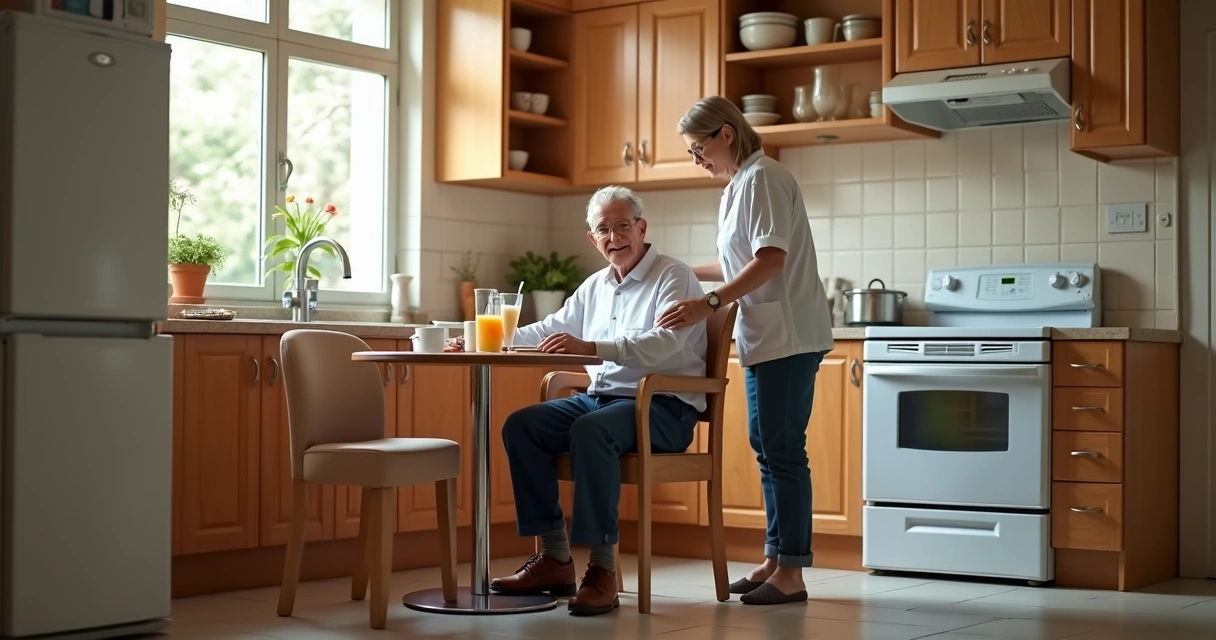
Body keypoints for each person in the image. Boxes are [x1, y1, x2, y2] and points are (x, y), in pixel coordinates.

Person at [489, 185, 708, 616]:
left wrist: (593, 348)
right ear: (593, 239)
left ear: (642, 228)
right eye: (603, 229)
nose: (614, 237)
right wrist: (484, 337)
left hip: (663, 407)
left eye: (623, 226)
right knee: (523, 425)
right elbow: (548, 329)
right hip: (602, 401)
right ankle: (555, 559)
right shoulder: (595, 286)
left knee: (590, 430)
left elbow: (663, 344)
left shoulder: (673, 275)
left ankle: (602, 569)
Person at [657, 95, 834, 606]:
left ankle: (793, 573)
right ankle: (776, 559)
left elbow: (770, 260)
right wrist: (676, 270)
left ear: (726, 134)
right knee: (768, 448)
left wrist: (705, 303)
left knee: (782, 450)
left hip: (788, 336)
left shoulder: (763, 178)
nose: (697, 160)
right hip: (764, 336)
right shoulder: (739, 185)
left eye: (698, 149)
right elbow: (732, 261)